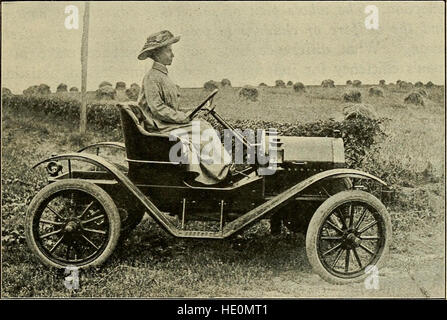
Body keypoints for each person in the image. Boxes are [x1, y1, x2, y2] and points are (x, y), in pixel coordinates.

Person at [137, 30, 231, 185]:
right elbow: (157, 108)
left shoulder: (163, 76)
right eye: (169, 51)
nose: (172, 55)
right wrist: (182, 117)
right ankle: (217, 174)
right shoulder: (152, 77)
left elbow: (171, 107)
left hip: (166, 124)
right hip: (158, 128)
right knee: (202, 129)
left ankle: (218, 170)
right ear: (157, 54)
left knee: (203, 125)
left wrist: (193, 111)